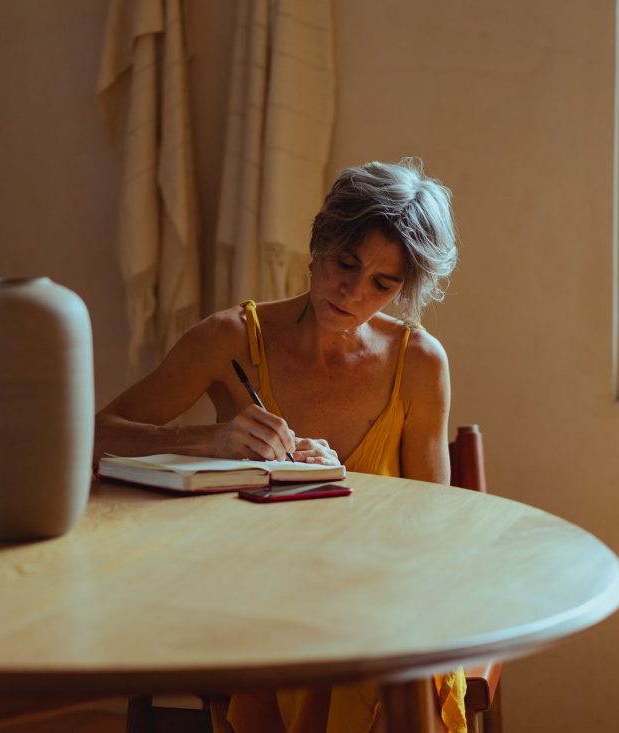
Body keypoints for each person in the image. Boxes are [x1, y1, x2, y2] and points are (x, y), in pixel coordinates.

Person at [95, 158, 464, 733]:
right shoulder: (231, 339)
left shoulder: (418, 362)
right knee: (309, 652)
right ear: (319, 244)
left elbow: (431, 527)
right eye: (346, 263)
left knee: (372, 656)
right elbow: (94, 437)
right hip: (257, 594)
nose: (352, 291)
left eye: (382, 284)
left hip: (380, 597)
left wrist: (350, 486)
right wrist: (208, 440)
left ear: (402, 291)